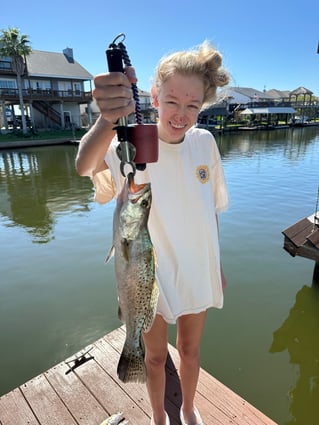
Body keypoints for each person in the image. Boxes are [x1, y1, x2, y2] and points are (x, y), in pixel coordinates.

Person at [76, 40, 230, 425]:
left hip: (197, 266)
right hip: (148, 273)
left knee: (191, 352)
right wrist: (107, 118)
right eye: (173, 101)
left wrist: (218, 265)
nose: (182, 113)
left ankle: (190, 409)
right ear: (155, 97)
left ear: (203, 106)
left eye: (193, 105)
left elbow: (211, 209)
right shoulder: (129, 145)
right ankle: (158, 417)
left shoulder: (205, 143)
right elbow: (83, 165)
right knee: (156, 357)